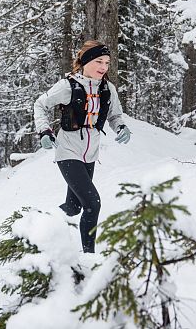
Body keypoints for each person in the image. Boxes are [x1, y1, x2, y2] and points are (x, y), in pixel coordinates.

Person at [33, 40, 131, 253]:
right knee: (92, 203)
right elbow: (40, 105)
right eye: (99, 61)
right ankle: (90, 257)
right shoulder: (68, 86)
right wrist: (44, 130)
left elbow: (115, 115)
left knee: (73, 206)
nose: (104, 67)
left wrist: (121, 127)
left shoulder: (108, 88)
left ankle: (36, 225)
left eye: (106, 62)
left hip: (91, 153)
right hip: (67, 151)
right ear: (85, 62)